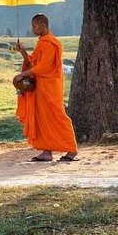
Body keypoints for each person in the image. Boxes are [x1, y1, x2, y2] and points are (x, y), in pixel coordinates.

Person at [13, 13, 78, 162]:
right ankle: (47, 152)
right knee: (42, 118)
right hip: (40, 87)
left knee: (57, 116)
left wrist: (24, 75)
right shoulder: (41, 42)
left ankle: (72, 149)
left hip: (50, 88)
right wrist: (23, 52)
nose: (33, 29)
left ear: (43, 25)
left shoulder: (50, 43)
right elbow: (33, 63)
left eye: (35, 26)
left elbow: (44, 67)